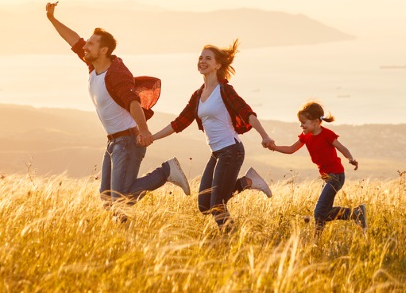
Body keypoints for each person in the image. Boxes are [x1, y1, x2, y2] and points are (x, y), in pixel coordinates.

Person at [45, 2, 190, 207]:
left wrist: (144, 130)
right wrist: (52, 19)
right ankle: (124, 233)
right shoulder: (93, 65)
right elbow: (74, 40)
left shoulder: (116, 74)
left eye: (91, 44)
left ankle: (166, 172)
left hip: (128, 142)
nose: (85, 47)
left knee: (119, 200)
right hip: (114, 142)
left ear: (104, 50)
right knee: (107, 198)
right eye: (86, 43)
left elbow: (133, 103)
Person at [151, 40, 273, 231]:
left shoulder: (225, 90)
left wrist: (265, 136)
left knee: (217, 206)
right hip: (217, 153)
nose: (202, 61)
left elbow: (247, 114)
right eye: (200, 57)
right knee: (204, 205)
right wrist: (152, 137)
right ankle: (247, 182)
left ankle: (231, 243)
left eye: (208, 58)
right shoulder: (198, 95)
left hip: (231, 151)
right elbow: (179, 123)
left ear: (218, 65)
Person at [267, 101, 366, 233]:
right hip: (327, 177)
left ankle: (317, 239)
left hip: (336, 176)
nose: (301, 125)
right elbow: (291, 149)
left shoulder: (327, 134)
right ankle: (356, 213)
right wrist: (274, 148)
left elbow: (342, 148)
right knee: (324, 213)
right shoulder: (306, 136)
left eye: (303, 122)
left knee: (318, 211)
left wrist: (351, 159)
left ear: (315, 122)